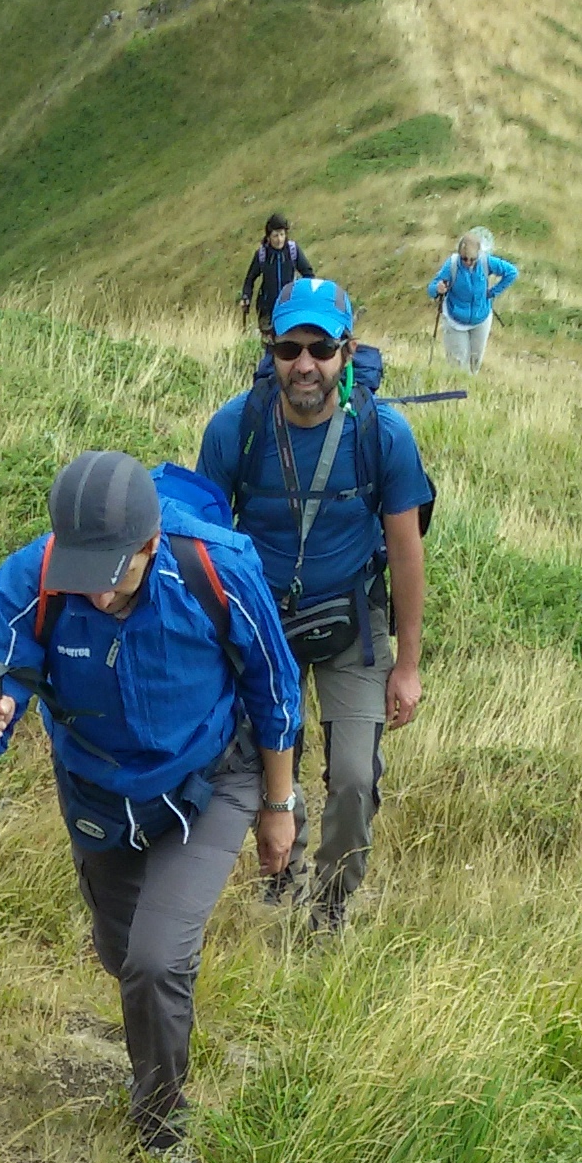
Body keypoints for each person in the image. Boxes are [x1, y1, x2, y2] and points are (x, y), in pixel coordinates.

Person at [0, 451, 301, 1160]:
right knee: (123, 955)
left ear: (150, 544)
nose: (97, 597)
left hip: (212, 777)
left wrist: (279, 804)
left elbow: (275, 689)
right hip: (100, 796)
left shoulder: (217, 569)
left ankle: (162, 1127)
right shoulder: (30, 581)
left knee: (157, 961)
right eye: (84, 577)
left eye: (113, 577)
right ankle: (158, 1026)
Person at [196, 278, 432, 932]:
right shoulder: (233, 430)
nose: (305, 365)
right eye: (290, 348)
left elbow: (407, 554)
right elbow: (202, 545)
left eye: (321, 349)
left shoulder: (382, 434)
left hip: (350, 624)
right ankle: (282, 877)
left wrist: (406, 667)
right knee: (274, 765)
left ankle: (329, 906)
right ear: (270, 349)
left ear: (346, 352)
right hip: (260, 627)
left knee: (355, 779)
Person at [428, 229, 517, 371]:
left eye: (472, 259)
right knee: (457, 365)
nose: (468, 262)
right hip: (455, 320)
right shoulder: (452, 264)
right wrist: (437, 289)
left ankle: (470, 390)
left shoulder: (486, 262)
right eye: (464, 259)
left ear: (479, 255)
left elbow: (512, 272)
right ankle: (457, 389)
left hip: (481, 319)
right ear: (459, 255)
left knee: (475, 363)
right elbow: (431, 288)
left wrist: (493, 292)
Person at [236, 213, 312, 332]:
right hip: (267, 310)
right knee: (269, 344)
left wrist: (303, 295)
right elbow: (250, 279)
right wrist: (246, 297)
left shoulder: (293, 251)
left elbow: (308, 274)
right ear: (268, 237)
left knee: (287, 342)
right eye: (275, 235)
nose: (279, 239)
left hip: (290, 307)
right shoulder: (262, 254)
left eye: (282, 234)